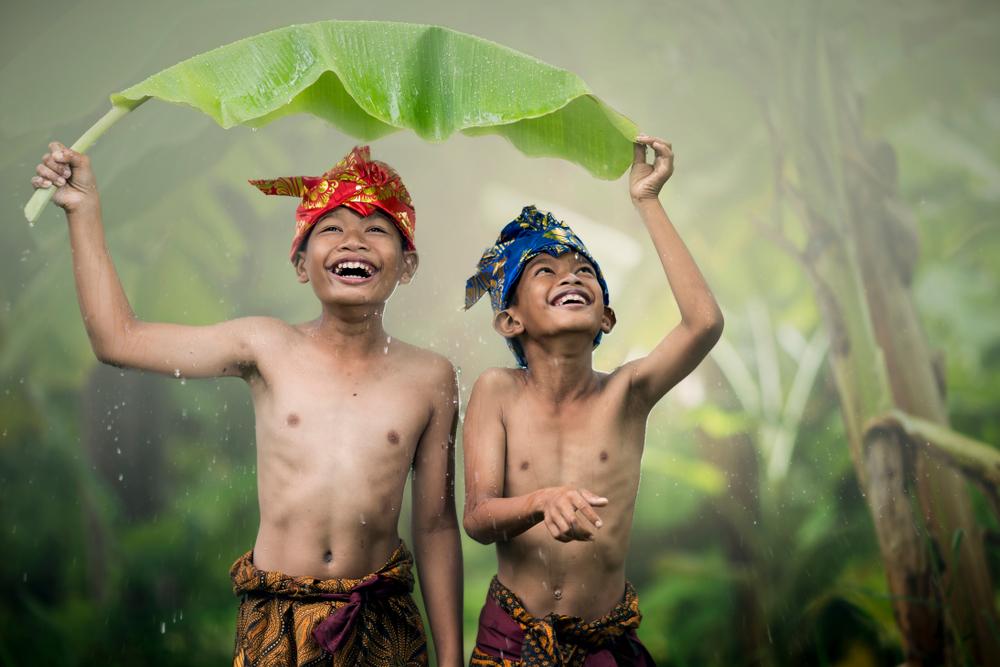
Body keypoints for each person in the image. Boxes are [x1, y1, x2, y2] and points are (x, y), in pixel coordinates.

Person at [31, 144, 463, 666]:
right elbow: (118, 339)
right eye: (331, 228)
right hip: (276, 617)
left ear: (407, 264)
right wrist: (84, 210)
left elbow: (436, 524)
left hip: (379, 619)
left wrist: (451, 658)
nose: (354, 240)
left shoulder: (430, 376)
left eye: (376, 229)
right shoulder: (266, 345)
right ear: (301, 264)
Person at [462, 136, 723, 665]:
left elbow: (704, 323)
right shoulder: (497, 391)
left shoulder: (627, 394)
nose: (572, 277)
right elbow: (478, 516)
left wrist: (647, 201)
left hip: (604, 643)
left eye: (585, 272)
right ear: (511, 320)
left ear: (606, 317)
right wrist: (540, 501)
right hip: (511, 641)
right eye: (546, 272)